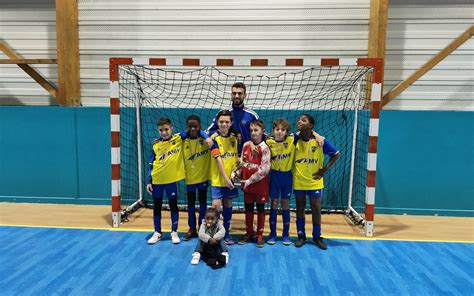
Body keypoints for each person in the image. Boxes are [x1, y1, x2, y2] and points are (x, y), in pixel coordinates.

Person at [146, 118, 211, 245]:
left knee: (173, 206)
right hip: (157, 180)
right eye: (161, 130)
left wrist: (206, 137)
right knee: (157, 207)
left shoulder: (178, 139)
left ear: (172, 129)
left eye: (166, 129)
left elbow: (193, 130)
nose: (164, 132)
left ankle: (174, 231)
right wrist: (149, 180)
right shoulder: (156, 145)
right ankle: (157, 232)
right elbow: (151, 164)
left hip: (172, 181)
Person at [293, 114, 340, 250]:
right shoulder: (294, 139)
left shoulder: (320, 141)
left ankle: (317, 236)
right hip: (299, 181)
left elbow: (336, 154)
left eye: (304, 120)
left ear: (311, 125)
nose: (300, 121)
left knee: (316, 209)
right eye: (299, 120)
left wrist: (324, 170)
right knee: (300, 208)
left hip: (315, 181)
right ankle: (301, 235)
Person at [232, 120, 271, 248]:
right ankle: (249, 233)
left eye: (256, 130)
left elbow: (264, 170)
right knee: (248, 209)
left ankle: (259, 234)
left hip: (260, 186)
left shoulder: (265, 148)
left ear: (262, 131)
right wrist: (236, 173)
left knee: (260, 209)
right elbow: (242, 163)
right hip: (247, 186)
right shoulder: (245, 145)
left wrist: (249, 180)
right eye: (252, 131)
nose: (253, 133)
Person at [209, 110, 239, 245]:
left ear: (231, 123)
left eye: (227, 122)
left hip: (230, 178)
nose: (224, 124)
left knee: (228, 203)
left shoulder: (234, 137)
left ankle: (226, 232)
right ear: (217, 122)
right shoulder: (213, 137)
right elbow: (219, 160)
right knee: (216, 205)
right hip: (218, 178)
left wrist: (235, 173)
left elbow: (235, 158)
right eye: (221, 122)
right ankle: (214, 231)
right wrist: (226, 179)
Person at [265, 119, 295, 245]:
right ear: (273, 130)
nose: (280, 132)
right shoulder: (268, 142)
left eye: (283, 130)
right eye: (277, 129)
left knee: (285, 204)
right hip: (274, 176)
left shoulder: (292, 140)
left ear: (287, 132)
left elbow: (307, 132)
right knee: (274, 203)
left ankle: (286, 234)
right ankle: (272, 234)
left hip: (287, 176)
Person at [207, 82, 259, 154]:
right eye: (234, 93)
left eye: (240, 93)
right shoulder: (222, 114)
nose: (236, 96)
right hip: (227, 155)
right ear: (231, 95)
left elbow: (260, 134)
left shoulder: (252, 115)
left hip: (247, 155)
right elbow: (209, 131)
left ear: (245, 95)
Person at [182, 115, 211, 241]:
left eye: (195, 126)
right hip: (190, 180)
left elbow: (213, 135)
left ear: (200, 127)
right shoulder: (182, 141)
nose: (193, 129)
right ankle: (192, 228)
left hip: (203, 178)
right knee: (191, 205)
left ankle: (202, 227)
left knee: (203, 204)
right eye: (190, 126)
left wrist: (205, 135)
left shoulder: (205, 141)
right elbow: (174, 137)